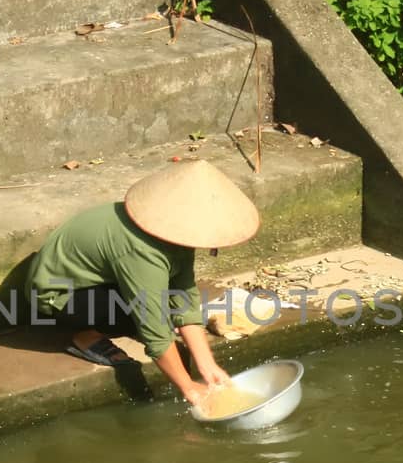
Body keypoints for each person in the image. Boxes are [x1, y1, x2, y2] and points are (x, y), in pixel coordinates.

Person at [24, 160, 260, 407]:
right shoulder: (141, 250)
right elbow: (155, 334)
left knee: (160, 305)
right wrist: (189, 388)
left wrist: (208, 365)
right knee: (149, 316)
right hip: (59, 296)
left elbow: (184, 296)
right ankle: (85, 337)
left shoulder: (173, 232)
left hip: (104, 280)